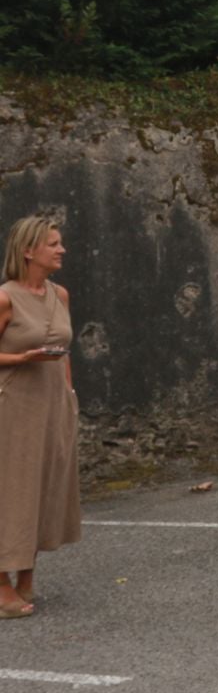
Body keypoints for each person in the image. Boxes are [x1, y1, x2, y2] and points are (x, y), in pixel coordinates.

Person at [0, 215, 81, 620]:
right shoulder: (5, 298)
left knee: (41, 489)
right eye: (52, 243)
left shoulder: (60, 295)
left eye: (60, 242)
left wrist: (69, 396)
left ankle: (26, 576)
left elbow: (64, 352)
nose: (61, 249)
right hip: (12, 406)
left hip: (52, 405)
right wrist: (22, 357)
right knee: (10, 492)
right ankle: (0, 584)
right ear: (28, 250)